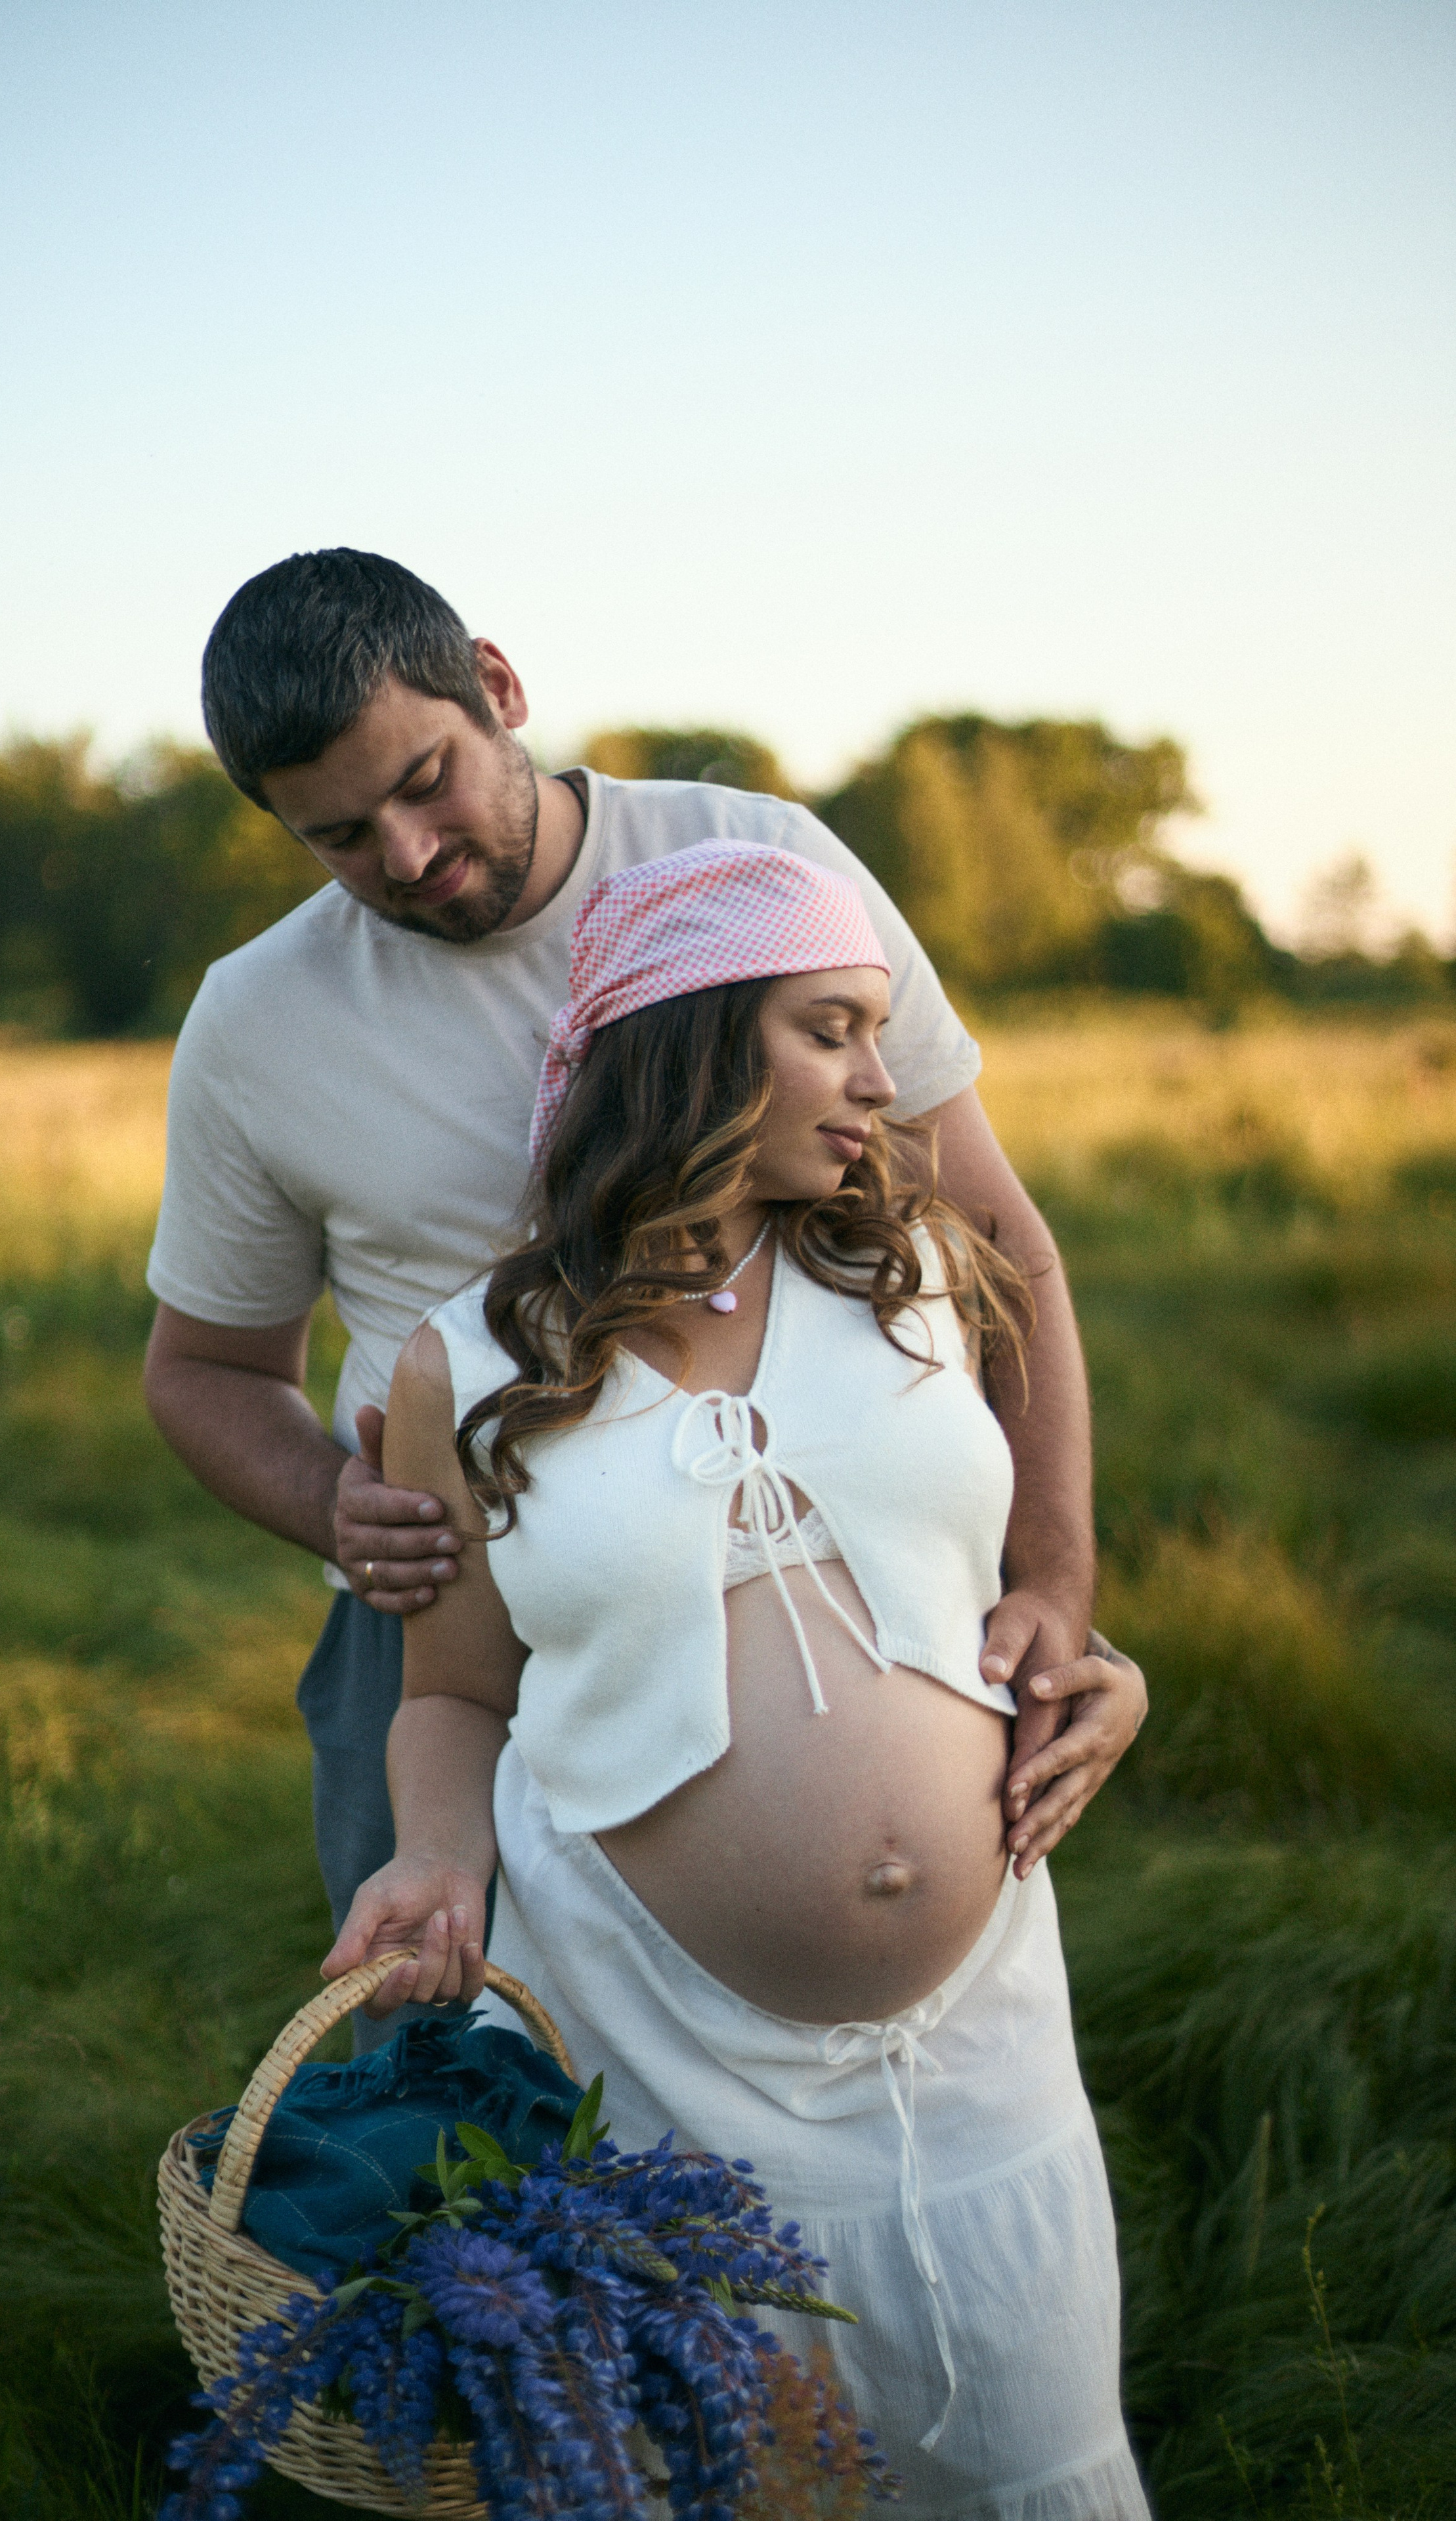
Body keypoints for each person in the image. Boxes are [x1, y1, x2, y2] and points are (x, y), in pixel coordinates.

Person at [143, 548, 1142, 2021]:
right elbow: (206, 1370)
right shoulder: (258, 1018)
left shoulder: (751, 856)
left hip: (819, 1533)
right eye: (341, 836)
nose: (409, 855)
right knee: (446, 2070)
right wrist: (330, 1505)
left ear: (495, 686)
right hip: (449, 1620)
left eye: (427, 782)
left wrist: (1051, 1573)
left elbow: (995, 1240)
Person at [325, 840, 1149, 2515]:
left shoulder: (911, 1275)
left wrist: (1094, 1657)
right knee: (748, 2480)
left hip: (980, 2042)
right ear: (693, 1038)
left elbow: (997, 1594)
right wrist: (430, 1856)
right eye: (830, 1028)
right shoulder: (472, 1363)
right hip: (666, 2056)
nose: (878, 1076)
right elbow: (450, 1694)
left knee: (1033, 2465)